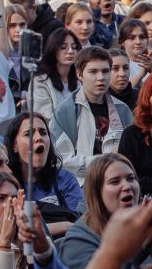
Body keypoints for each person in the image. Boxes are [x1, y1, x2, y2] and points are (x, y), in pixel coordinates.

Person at [52, 46, 132, 180]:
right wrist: (104, 161)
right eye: (93, 72)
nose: (101, 77)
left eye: (106, 71)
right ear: (79, 74)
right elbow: (61, 160)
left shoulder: (122, 109)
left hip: (118, 180)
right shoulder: (65, 111)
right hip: (80, 184)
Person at [56, 153, 140, 269]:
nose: (127, 186)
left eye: (131, 179)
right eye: (115, 182)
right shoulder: (78, 240)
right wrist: (145, 247)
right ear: (97, 192)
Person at [2, 113, 83, 236]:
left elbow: (80, 224)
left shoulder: (64, 178)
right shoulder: (7, 185)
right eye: (28, 134)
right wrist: (66, 225)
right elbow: (12, 230)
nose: (38, 137)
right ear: (15, 146)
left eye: (43, 133)